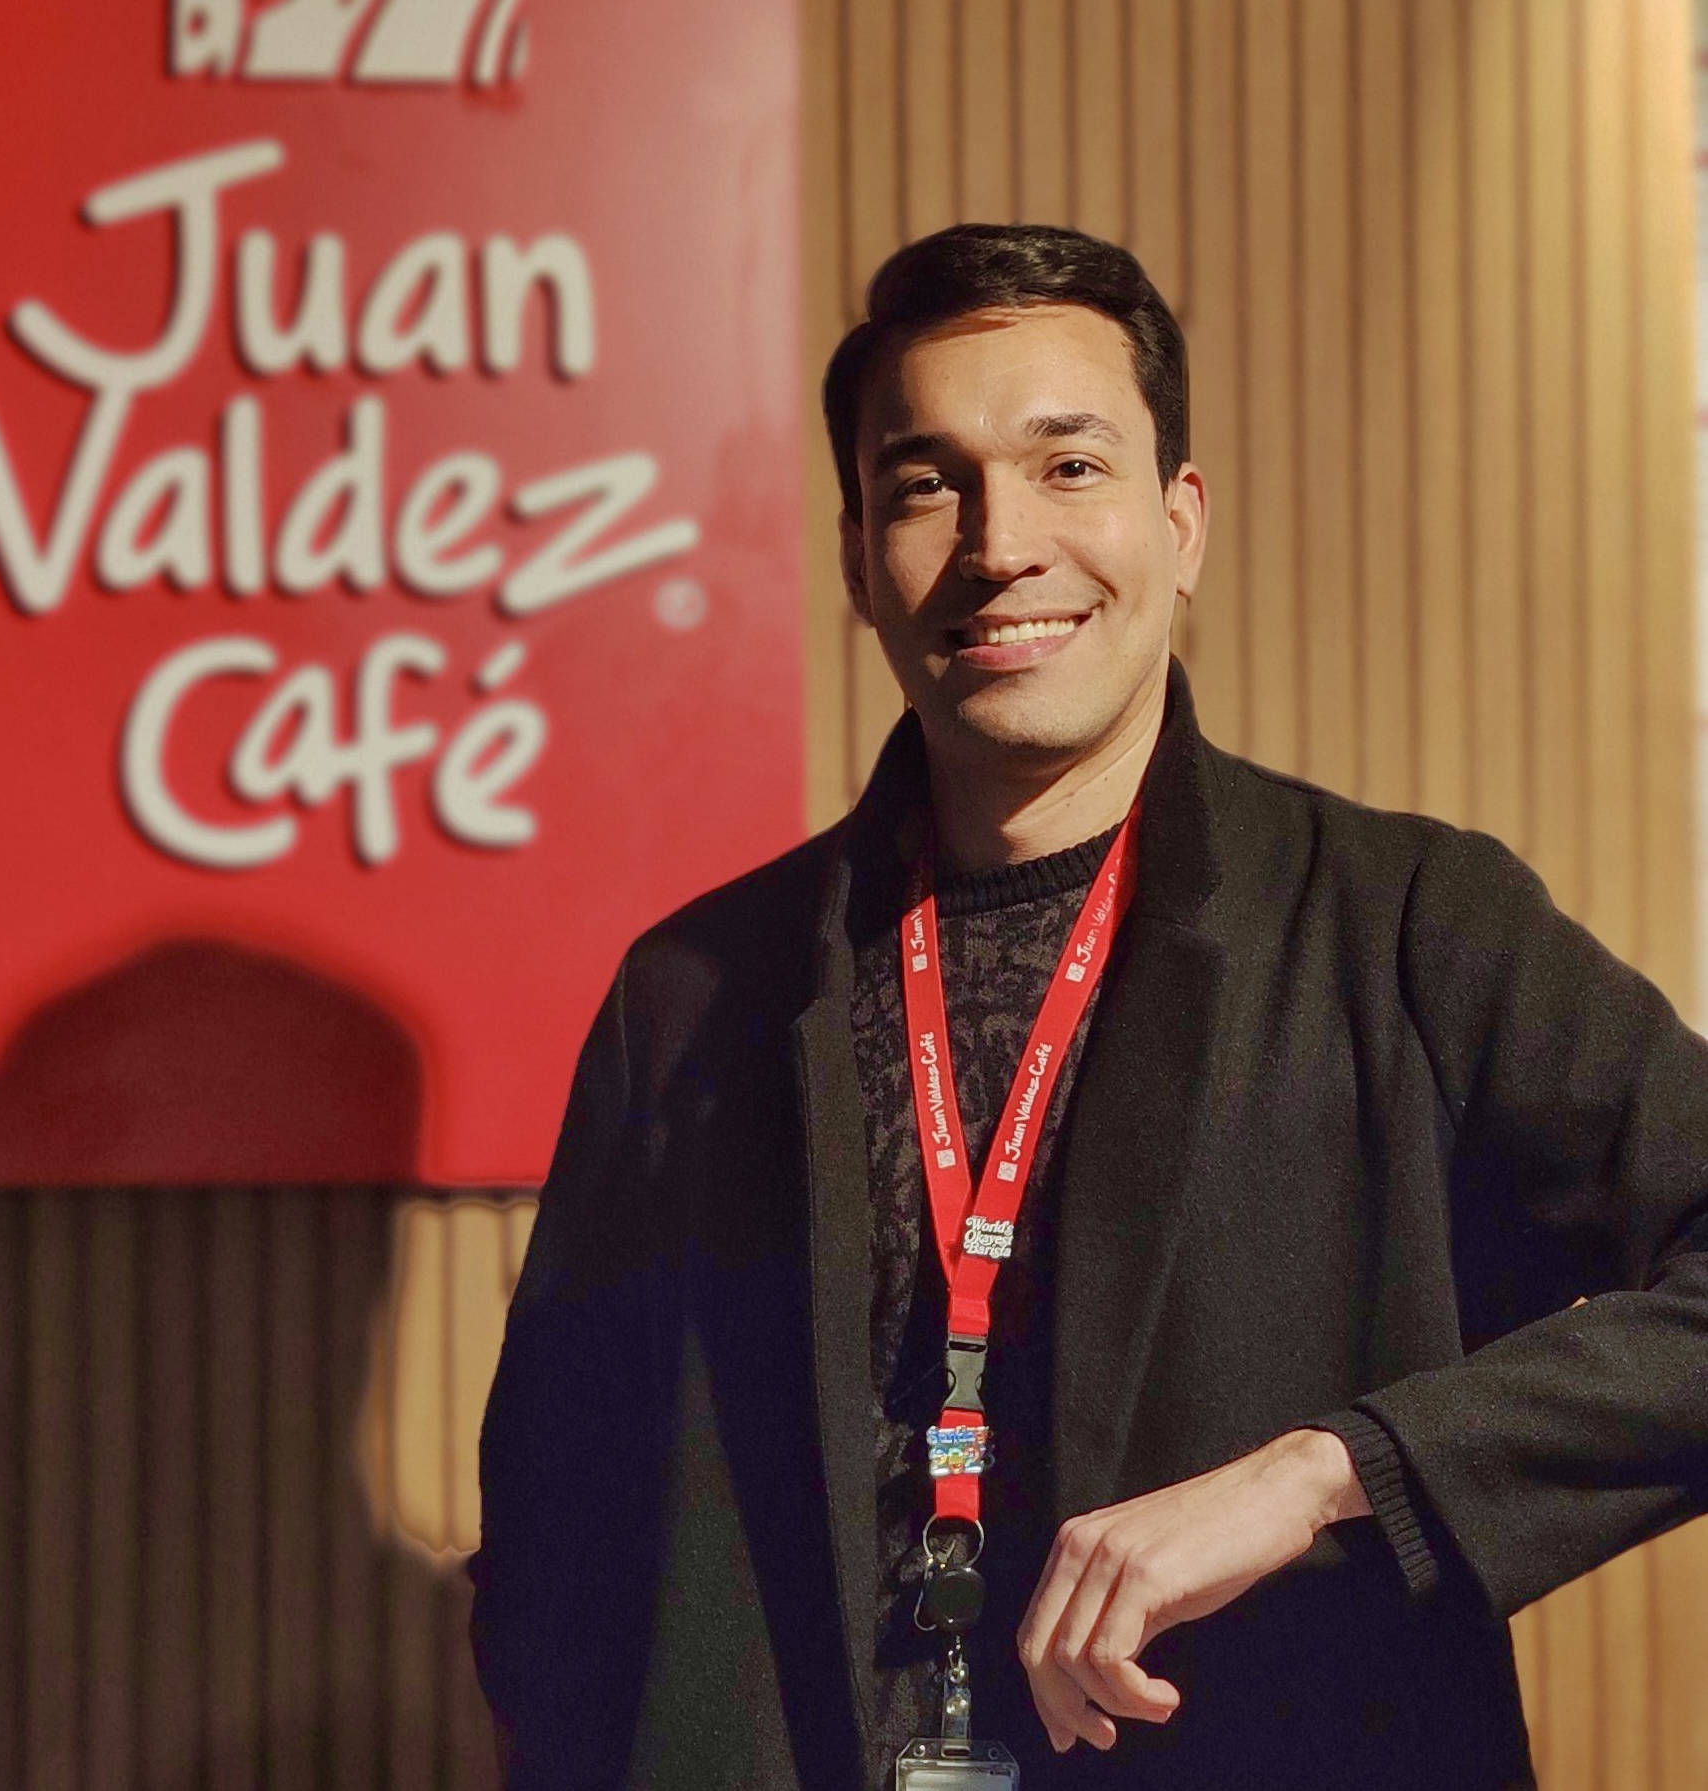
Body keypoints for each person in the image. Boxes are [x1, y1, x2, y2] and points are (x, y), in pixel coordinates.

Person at [470, 223, 1708, 1789]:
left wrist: (1331, 1474)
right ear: (856, 553)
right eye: (926, 484)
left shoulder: (1399, 922)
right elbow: (556, 1530)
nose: (998, 545)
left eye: (1068, 469)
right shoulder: (697, 992)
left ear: (1179, 523)